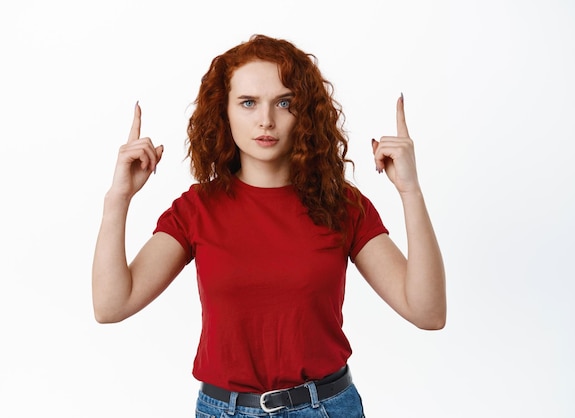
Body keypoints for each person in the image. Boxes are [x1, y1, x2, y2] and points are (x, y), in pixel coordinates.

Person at [92, 34, 446, 417]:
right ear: (223, 112)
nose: (266, 120)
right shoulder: (197, 209)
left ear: (305, 112)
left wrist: (410, 191)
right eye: (248, 103)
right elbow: (112, 305)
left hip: (324, 407)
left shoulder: (342, 205)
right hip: (223, 409)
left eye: (284, 102)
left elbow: (427, 313)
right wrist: (118, 199)